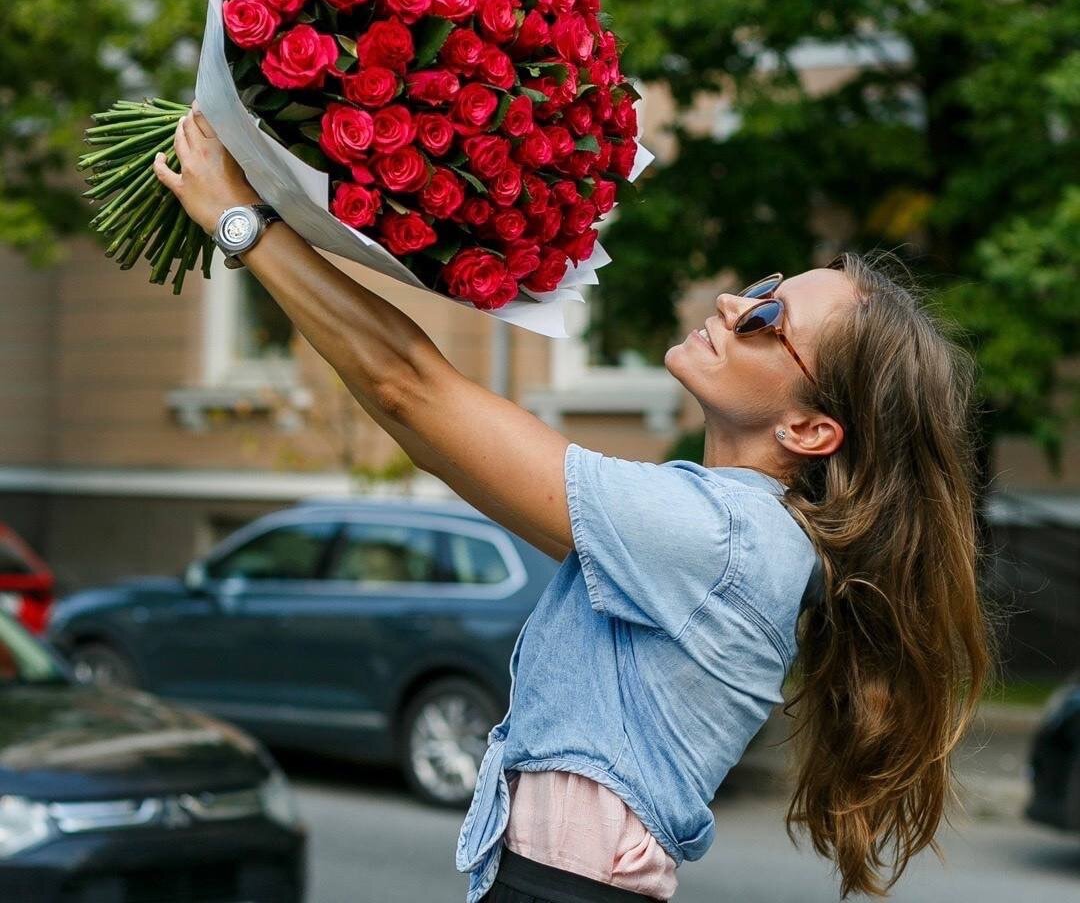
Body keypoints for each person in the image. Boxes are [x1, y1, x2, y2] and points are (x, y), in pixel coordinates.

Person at [154, 106, 997, 902]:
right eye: (766, 285)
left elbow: (410, 388)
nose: (734, 303)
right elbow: (429, 426)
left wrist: (243, 219)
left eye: (769, 317)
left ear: (812, 430)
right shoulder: (725, 528)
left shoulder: (719, 538)